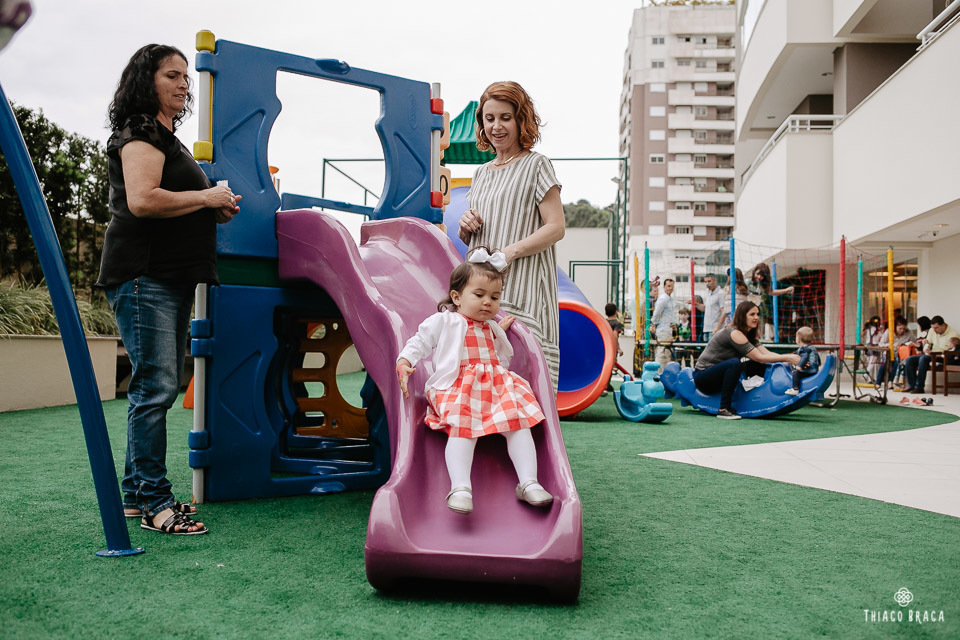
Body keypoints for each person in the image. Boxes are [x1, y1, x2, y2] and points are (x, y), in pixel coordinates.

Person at [97, 45, 241, 536]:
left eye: (186, 77)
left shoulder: (168, 138)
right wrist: (205, 195)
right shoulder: (141, 130)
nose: (184, 84)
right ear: (147, 80)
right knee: (155, 387)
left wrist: (211, 207)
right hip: (145, 274)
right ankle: (157, 503)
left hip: (169, 276)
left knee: (153, 385)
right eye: (172, 75)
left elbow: (174, 199)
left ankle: (137, 498)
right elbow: (142, 200)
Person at [396, 249, 552, 515]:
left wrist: (498, 332)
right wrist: (405, 361)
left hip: (494, 385)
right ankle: (460, 487)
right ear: (457, 297)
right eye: (479, 295)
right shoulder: (446, 320)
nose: (488, 303)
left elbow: (490, 350)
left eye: (494, 297)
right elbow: (420, 341)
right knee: (462, 428)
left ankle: (528, 481)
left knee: (517, 423)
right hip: (459, 386)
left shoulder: (491, 327)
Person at [458, 81, 564, 390]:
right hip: (481, 289)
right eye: (489, 119)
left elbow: (556, 226)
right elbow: (474, 237)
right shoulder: (481, 173)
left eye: (505, 117)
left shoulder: (537, 165)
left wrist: (512, 251)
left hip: (522, 288)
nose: (496, 126)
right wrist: (466, 225)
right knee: (481, 380)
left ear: (521, 120)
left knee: (521, 380)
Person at [693, 301, 801, 419]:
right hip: (704, 378)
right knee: (735, 363)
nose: (756, 318)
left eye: (757, 314)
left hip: (720, 374)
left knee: (756, 365)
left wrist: (789, 358)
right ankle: (724, 408)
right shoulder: (734, 333)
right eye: (752, 314)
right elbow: (759, 357)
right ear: (742, 315)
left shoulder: (749, 334)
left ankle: (754, 394)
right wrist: (787, 358)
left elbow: (766, 354)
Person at [903, 315, 960, 393]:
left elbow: (952, 351)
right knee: (909, 360)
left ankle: (919, 387)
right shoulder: (932, 331)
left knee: (923, 359)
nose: (934, 330)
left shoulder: (953, 334)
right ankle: (912, 386)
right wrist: (926, 346)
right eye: (933, 328)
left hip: (943, 356)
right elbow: (929, 343)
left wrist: (935, 354)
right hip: (931, 354)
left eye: (936, 328)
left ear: (943, 325)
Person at [748, 262, 794, 342]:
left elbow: (772, 292)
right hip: (749, 310)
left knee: (759, 327)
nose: (759, 277)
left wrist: (785, 290)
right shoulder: (749, 282)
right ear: (754, 272)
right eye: (758, 274)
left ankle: (761, 339)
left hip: (759, 311)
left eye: (762, 276)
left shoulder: (763, 285)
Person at [876, 316, 915, 386]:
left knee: (897, 361)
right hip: (888, 353)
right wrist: (892, 345)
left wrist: (909, 344)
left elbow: (914, 342)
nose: (902, 330)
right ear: (895, 327)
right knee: (884, 363)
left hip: (901, 354)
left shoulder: (909, 332)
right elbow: (881, 344)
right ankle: (878, 382)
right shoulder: (889, 331)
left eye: (903, 328)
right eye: (900, 328)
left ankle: (890, 381)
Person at [651, 277, 679, 369]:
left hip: (668, 331)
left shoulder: (670, 299)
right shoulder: (663, 298)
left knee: (667, 354)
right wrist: (654, 323)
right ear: (664, 287)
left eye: (672, 286)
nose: (670, 288)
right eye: (668, 286)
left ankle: (664, 372)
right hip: (663, 330)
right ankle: (659, 372)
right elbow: (657, 312)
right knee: (662, 353)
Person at [785, 327, 820, 395]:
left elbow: (805, 357)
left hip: (808, 370)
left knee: (795, 373)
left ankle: (795, 389)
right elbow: (817, 357)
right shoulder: (812, 347)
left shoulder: (804, 349)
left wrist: (799, 366)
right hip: (814, 370)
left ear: (798, 339)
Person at [699, 273, 723, 342]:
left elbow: (723, 311)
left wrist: (718, 327)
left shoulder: (720, 293)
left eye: (709, 281)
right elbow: (706, 309)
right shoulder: (709, 294)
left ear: (715, 281)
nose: (707, 284)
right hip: (706, 329)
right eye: (705, 282)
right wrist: (695, 304)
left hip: (714, 329)